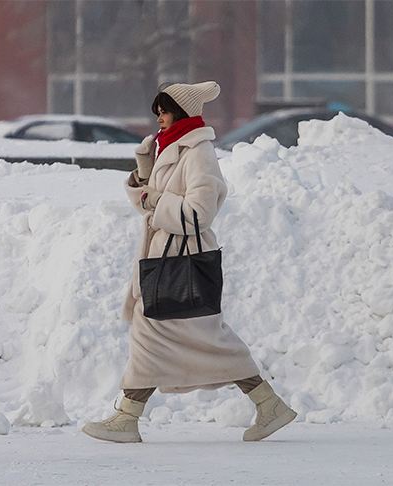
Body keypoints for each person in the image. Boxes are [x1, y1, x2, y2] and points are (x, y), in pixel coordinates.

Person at [82, 81, 296, 443]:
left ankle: (128, 418)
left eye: (164, 111)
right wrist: (144, 174)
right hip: (167, 255)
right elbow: (152, 203)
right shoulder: (173, 148)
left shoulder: (198, 152)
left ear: (180, 111)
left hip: (183, 258)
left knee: (196, 338)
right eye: (158, 112)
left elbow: (199, 213)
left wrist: (152, 197)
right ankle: (129, 417)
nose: (159, 119)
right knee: (163, 335)